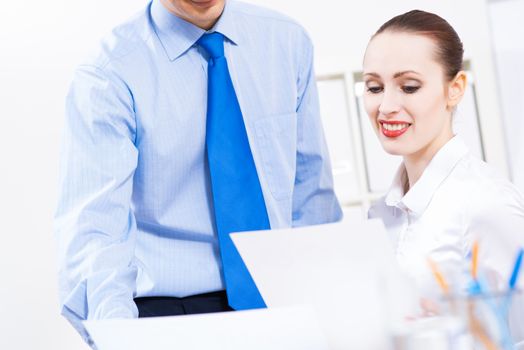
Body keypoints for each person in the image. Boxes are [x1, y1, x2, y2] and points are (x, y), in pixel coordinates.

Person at [55, 0, 342, 345]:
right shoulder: (109, 73)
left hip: (280, 301)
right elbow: (96, 232)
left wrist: (326, 305)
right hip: (169, 314)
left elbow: (310, 192)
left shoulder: (287, 41)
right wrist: (122, 338)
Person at [363, 9, 524, 338]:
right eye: (374, 87)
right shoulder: (380, 213)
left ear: (456, 88)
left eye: (409, 87)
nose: (387, 106)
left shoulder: (486, 204)